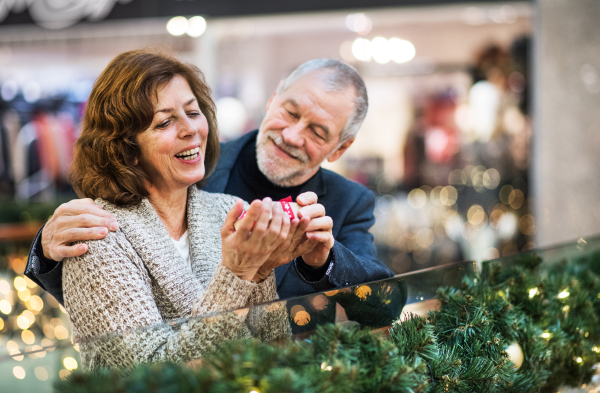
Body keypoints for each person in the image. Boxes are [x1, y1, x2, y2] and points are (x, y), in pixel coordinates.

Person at [25, 58, 394, 304]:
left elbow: (382, 305)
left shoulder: (350, 201)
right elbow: (112, 300)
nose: (293, 135)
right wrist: (47, 250)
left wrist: (324, 261)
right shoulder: (189, 167)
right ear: (272, 99)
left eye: (317, 131)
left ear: (340, 148)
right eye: (290, 112)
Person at [57, 49, 326, 369]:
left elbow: (270, 347)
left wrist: (262, 269)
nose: (190, 130)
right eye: (165, 121)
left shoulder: (229, 210)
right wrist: (238, 273)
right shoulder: (97, 237)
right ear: (127, 148)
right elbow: (152, 375)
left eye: (193, 112)